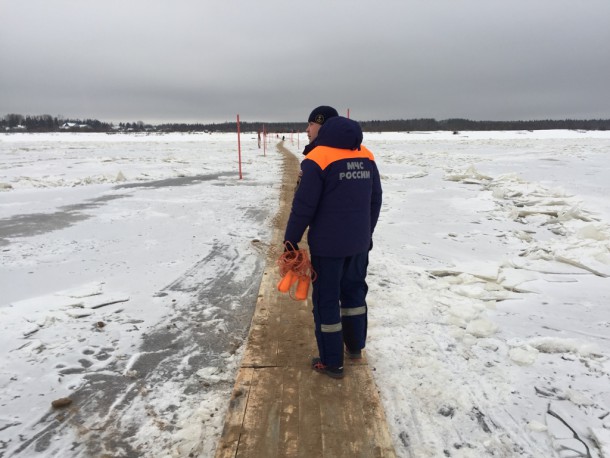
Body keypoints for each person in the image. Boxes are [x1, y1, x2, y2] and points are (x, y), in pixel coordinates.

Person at [283, 108, 383, 379]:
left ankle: (331, 362)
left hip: (329, 249)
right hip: (359, 245)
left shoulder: (318, 159)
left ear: (321, 127)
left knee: (327, 301)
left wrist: (290, 242)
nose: (307, 130)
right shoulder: (366, 155)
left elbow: (303, 208)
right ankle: (354, 348)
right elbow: (375, 200)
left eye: (310, 125)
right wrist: (366, 232)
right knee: (354, 296)